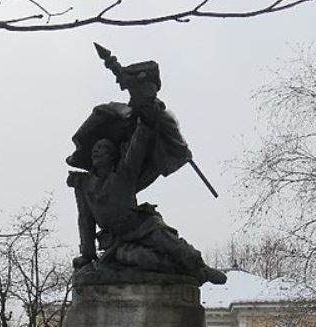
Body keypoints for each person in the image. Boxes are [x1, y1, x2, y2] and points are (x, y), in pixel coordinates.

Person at [67, 60, 226, 285]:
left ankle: (200, 267)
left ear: (113, 156)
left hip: (142, 227)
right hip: (116, 242)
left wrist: (148, 118)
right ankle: (188, 274)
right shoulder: (83, 185)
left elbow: (139, 144)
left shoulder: (124, 173)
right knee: (145, 260)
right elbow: (85, 220)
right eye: (95, 150)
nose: (97, 153)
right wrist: (88, 255)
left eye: (103, 149)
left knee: (173, 245)